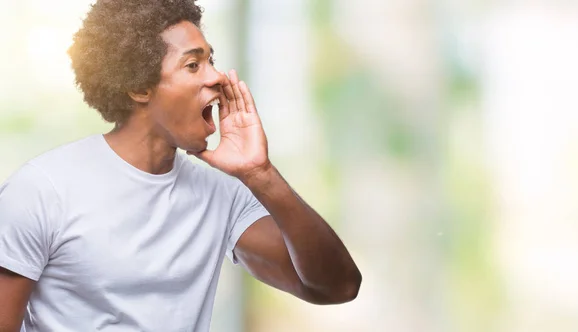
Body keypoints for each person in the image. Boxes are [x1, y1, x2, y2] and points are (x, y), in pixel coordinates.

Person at [0, 0, 362, 331]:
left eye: (211, 60)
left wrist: (260, 174)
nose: (216, 77)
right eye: (193, 64)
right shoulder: (42, 190)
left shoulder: (223, 196)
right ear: (140, 87)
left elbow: (338, 286)